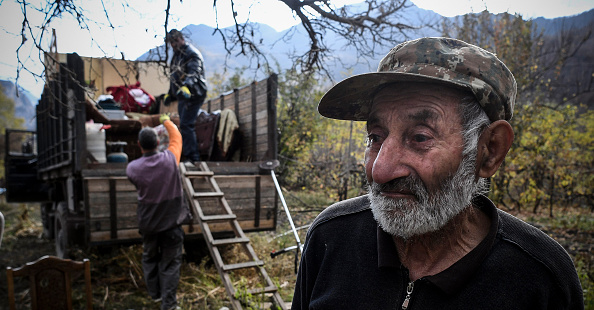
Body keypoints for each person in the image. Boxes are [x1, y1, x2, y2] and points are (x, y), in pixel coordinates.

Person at [292, 37, 584, 309]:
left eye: (420, 137)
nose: (380, 170)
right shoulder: (331, 237)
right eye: (375, 137)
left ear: (489, 150)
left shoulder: (542, 279)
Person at [126, 114, 190, 310]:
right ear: (158, 142)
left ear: (139, 145)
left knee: (149, 258)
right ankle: (168, 304)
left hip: (149, 225)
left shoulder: (132, 169)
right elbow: (176, 137)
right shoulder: (171, 159)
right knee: (170, 264)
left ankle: (155, 294)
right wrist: (166, 121)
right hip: (172, 224)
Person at [165, 28, 208, 164]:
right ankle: (188, 155)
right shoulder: (177, 56)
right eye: (171, 42)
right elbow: (174, 77)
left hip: (195, 93)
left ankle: (193, 158)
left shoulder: (191, 53)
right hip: (183, 95)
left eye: (175, 41)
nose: (173, 44)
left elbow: (194, 72)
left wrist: (187, 86)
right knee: (184, 124)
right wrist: (170, 94)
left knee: (186, 125)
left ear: (181, 39)